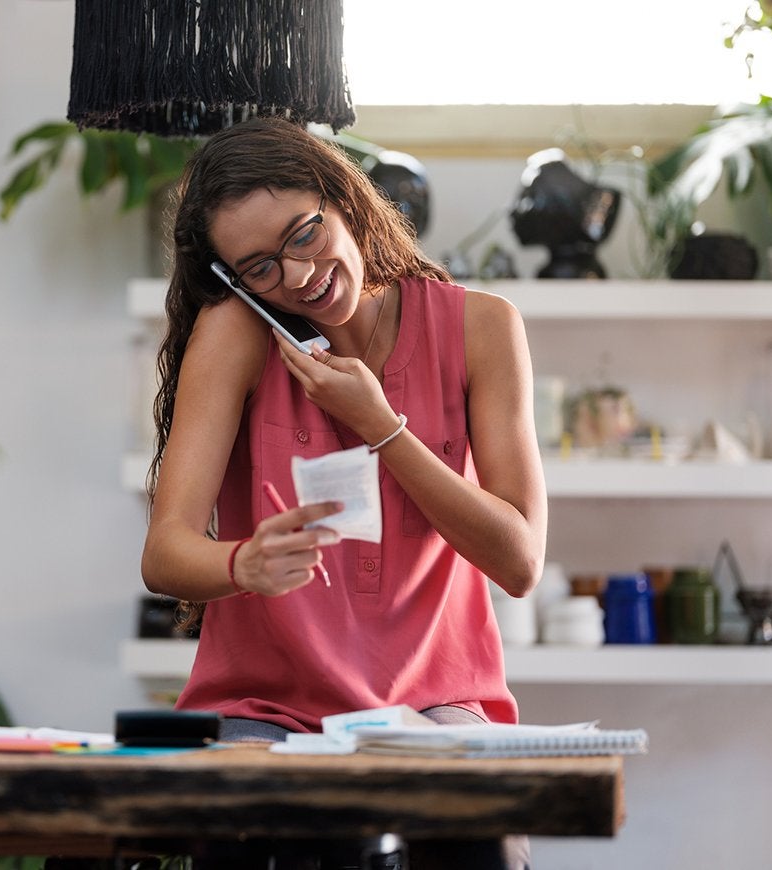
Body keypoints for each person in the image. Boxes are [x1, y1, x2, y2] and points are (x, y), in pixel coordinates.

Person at [140, 117, 546, 867]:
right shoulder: (237, 335)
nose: (295, 276)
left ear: (345, 200)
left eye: (303, 235)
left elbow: (520, 563)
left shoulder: (483, 327)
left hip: (432, 706)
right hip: (263, 712)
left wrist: (382, 427)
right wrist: (242, 565)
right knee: (262, 837)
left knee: (481, 843)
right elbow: (164, 554)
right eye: (258, 267)